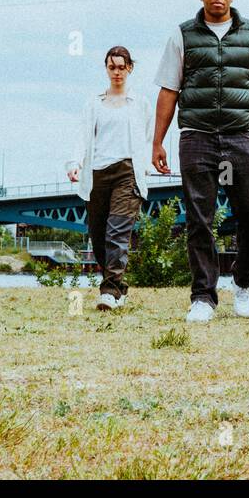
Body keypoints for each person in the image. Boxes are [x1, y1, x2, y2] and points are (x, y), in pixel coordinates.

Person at [151, 0, 249, 323]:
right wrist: (157, 142)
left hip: (241, 136)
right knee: (199, 218)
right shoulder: (182, 36)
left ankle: (243, 281)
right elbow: (168, 90)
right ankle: (203, 297)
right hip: (196, 136)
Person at [66, 46, 154, 311]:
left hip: (128, 171)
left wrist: (146, 166)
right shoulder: (94, 103)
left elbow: (148, 136)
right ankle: (119, 287)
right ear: (106, 69)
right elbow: (82, 135)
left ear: (130, 68)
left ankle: (110, 292)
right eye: (112, 66)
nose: (117, 71)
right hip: (98, 173)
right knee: (99, 233)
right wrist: (75, 163)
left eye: (121, 66)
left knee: (118, 230)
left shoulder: (140, 104)